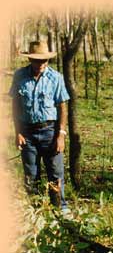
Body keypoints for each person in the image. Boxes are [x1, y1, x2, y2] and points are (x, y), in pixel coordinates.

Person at [9, 40, 70, 213]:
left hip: (50, 132)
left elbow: (62, 106)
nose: (41, 64)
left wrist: (61, 135)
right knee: (30, 176)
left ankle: (60, 212)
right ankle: (34, 214)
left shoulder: (56, 78)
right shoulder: (19, 76)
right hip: (27, 133)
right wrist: (17, 132)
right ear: (30, 59)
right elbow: (15, 106)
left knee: (56, 175)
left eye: (45, 60)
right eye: (37, 60)